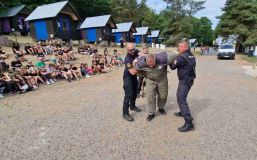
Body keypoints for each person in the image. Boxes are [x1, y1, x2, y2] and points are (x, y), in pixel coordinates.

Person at [134, 52, 177, 121]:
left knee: (163, 95)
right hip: (150, 80)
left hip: (162, 79)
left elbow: (177, 54)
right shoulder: (141, 64)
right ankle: (151, 113)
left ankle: (161, 108)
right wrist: (141, 74)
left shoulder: (164, 59)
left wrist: (175, 63)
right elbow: (137, 70)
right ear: (146, 61)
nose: (151, 65)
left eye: (152, 63)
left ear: (155, 60)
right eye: (149, 64)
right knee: (150, 96)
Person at [170, 39, 196, 132]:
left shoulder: (181, 57)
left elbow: (173, 67)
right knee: (181, 96)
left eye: (180, 46)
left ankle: (189, 123)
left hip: (185, 81)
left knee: (181, 98)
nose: (178, 48)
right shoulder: (191, 55)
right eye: (178, 46)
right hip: (189, 79)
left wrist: (170, 60)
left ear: (186, 47)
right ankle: (182, 111)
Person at [122, 43, 141, 121]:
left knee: (135, 91)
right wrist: (137, 65)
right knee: (128, 94)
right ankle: (125, 113)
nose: (132, 51)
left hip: (133, 77)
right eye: (130, 50)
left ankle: (132, 106)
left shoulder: (135, 50)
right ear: (127, 50)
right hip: (128, 77)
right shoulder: (127, 60)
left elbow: (142, 54)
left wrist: (139, 57)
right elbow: (133, 72)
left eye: (133, 49)